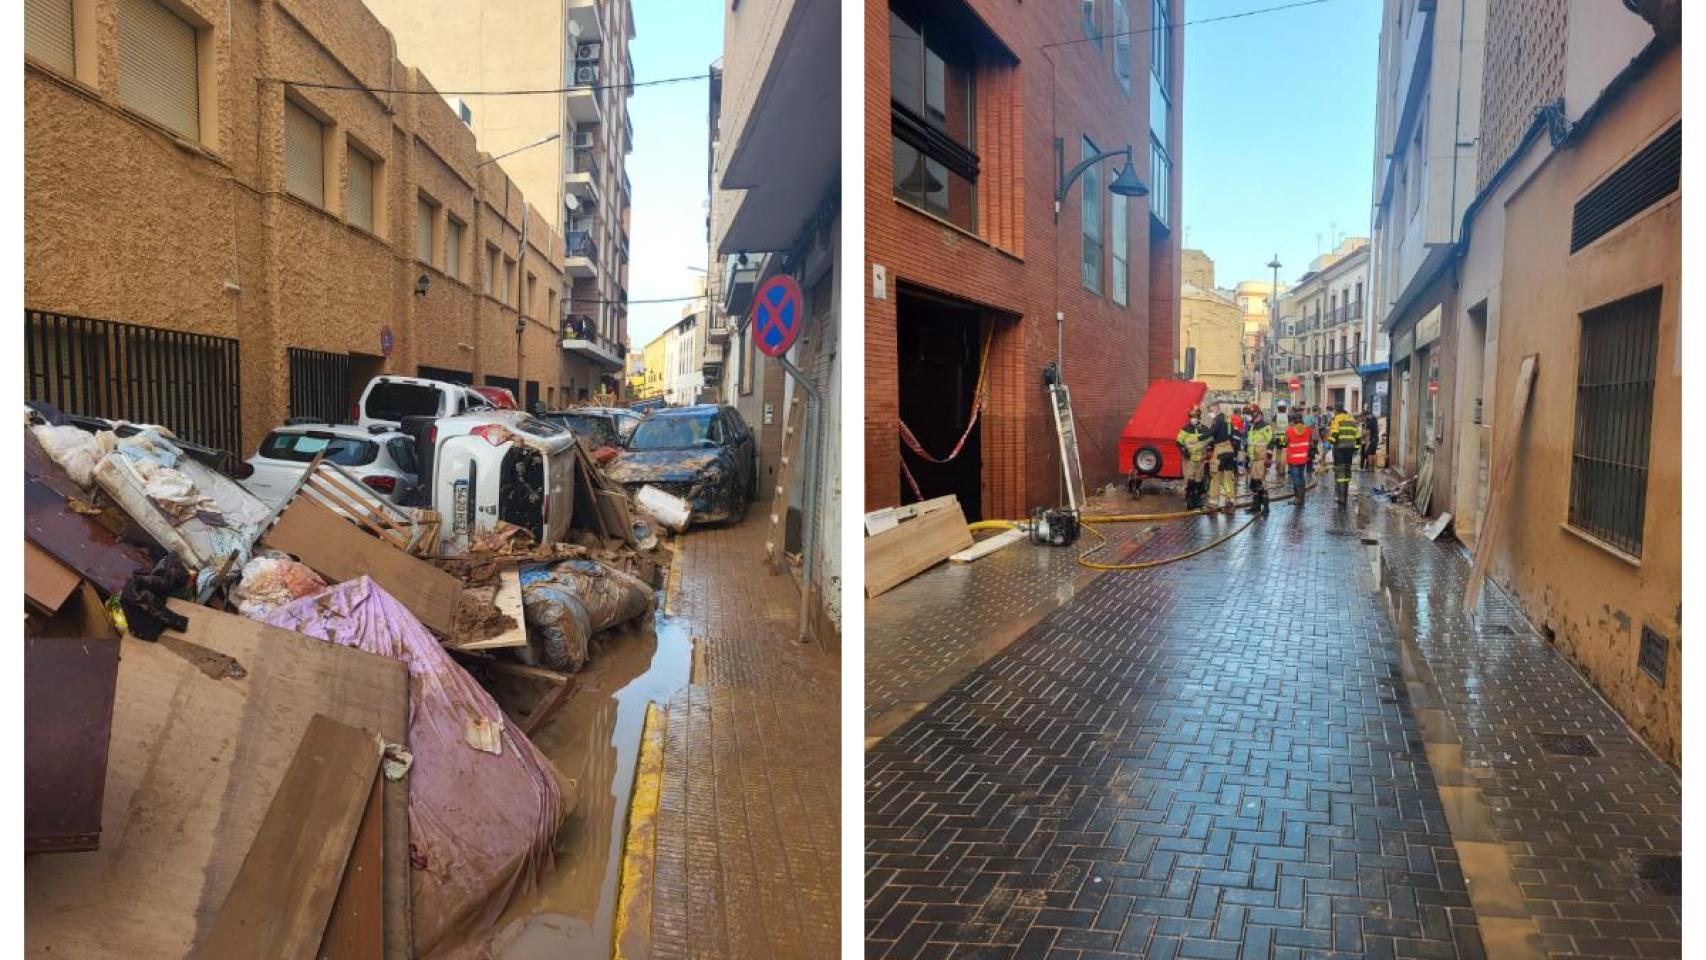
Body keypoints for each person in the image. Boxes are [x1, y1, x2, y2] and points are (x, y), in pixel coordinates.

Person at [1175, 406, 1212, 511]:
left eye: (1195, 416)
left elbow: (1210, 441)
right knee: (1189, 480)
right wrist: (1184, 450)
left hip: (1200, 460)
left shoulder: (1205, 429)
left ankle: (1197, 500)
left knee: (1199, 480)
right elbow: (1178, 442)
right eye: (1191, 416)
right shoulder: (1185, 429)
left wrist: (1209, 450)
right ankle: (1190, 500)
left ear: (1199, 416)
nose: (1193, 418)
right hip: (1189, 460)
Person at [1243, 403, 1277, 515]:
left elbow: (1271, 442)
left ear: (1255, 414)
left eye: (1249, 414)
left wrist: (1269, 458)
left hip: (1262, 459)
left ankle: (1266, 507)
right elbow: (1250, 443)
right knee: (1253, 483)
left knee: (1261, 483)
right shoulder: (1252, 426)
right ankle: (1256, 506)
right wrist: (1247, 459)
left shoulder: (1265, 426)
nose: (1247, 417)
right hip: (1253, 459)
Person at [1206, 405, 1240, 513]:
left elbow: (1211, 436)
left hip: (1219, 453)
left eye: (1210, 411)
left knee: (1215, 479)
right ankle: (1230, 504)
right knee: (1228, 479)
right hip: (1230, 453)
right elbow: (1236, 437)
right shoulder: (1229, 422)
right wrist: (1234, 453)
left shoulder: (1216, 422)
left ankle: (1213, 505)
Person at [1328, 404, 1362, 504]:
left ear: (1337, 411)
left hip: (1340, 450)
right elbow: (1358, 437)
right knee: (1347, 471)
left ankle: (1341, 498)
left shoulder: (1337, 419)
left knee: (1340, 472)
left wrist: (1329, 442)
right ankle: (1345, 497)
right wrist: (1355, 449)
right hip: (1350, 450)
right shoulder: (1352, 420)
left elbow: (1334, 434)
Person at [1284, 411, 1313, 505]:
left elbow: (1284, 443)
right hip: (1303, 459)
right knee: (1301, 476)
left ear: (1293, 421)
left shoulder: (1289, 430)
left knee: (1295, 478)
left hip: (1293, 459)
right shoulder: (1308, 430)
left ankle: (1298, 498)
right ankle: (1301, 496)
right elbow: (1310, 443)